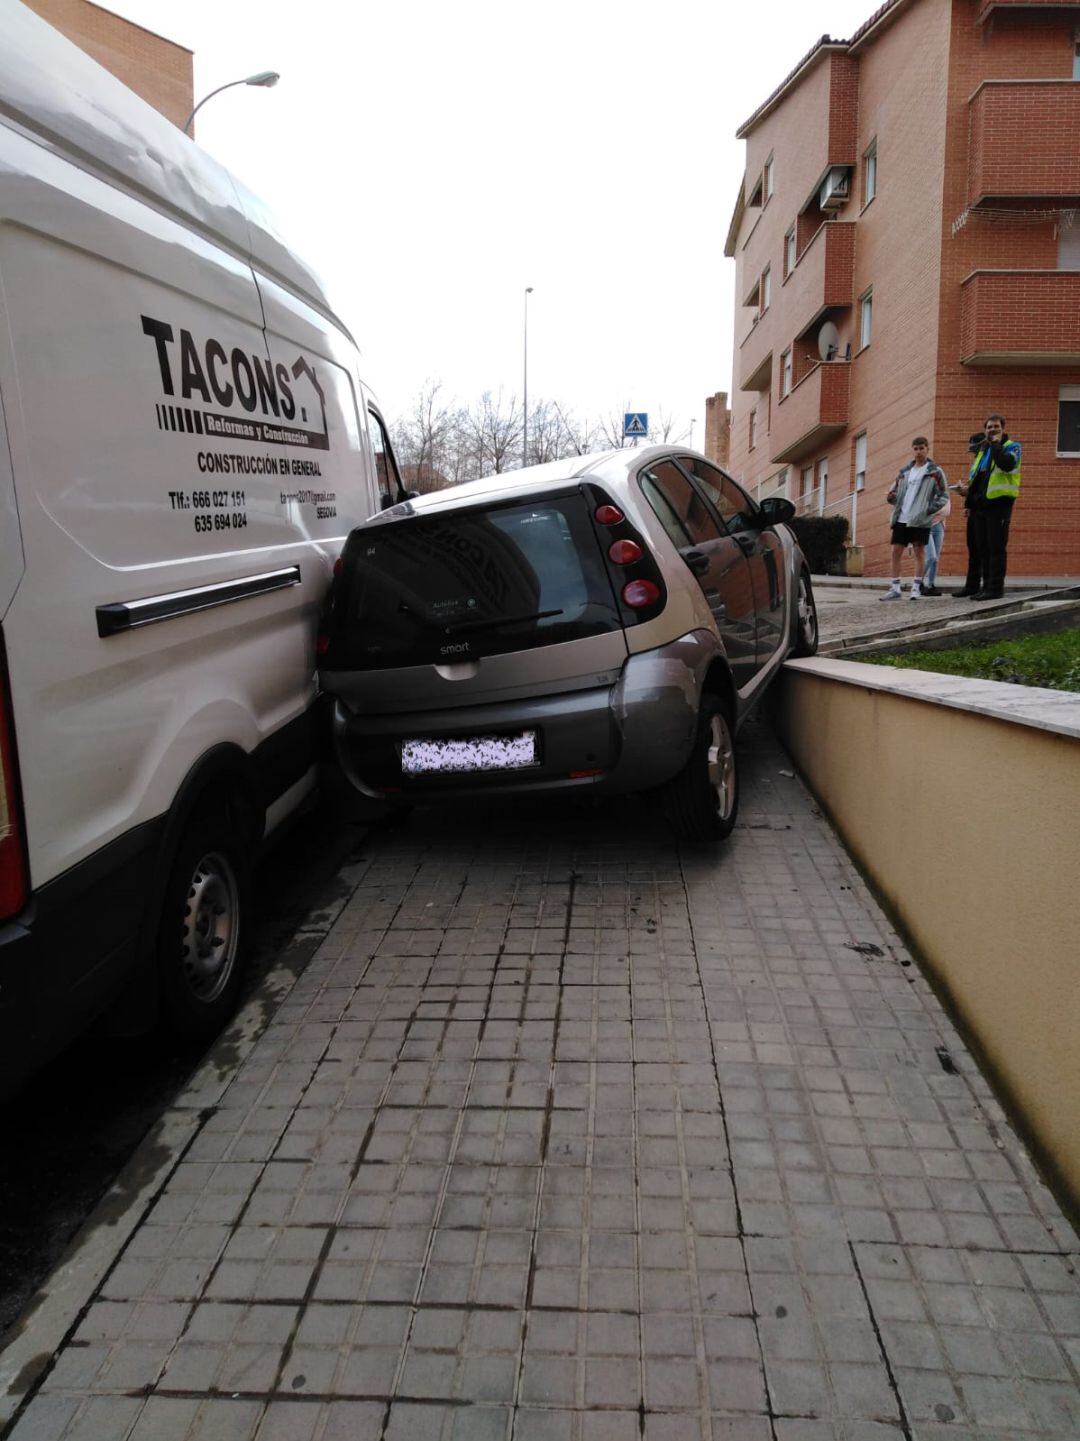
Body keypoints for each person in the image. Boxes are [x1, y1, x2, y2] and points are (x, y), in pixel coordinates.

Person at [955, 413, 1021, 600]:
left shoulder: (1012, 447)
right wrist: (967, 498)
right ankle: (984, 587)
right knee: (982, 548)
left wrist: (996, 445)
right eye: (989, 427)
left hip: (999, 504)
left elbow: (1006, 465)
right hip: (981, 505)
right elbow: (977, 479)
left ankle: (995, 589)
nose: (992, 430)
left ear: (1002, 428)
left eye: (996, 426)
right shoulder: (983, 452)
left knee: (996, 548)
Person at [880, 436, 948, 600]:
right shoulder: (904, 472)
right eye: (916, 449)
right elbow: (897, 494)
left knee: (919, 553)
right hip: (901, 518)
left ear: (927, 449)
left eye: (921, 448)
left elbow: (943, 496)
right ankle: (895, 588)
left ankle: (916, 588)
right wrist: (891, 497)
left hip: (920, 519)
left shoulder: (934, 471)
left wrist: (927, 510)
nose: (918, 452)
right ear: (913, 450)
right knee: (895, 552)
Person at [920, 482, 952, 596]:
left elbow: (947, 510)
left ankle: (931, 585)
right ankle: (918, 582)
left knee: (936, 559)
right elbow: (925, 510)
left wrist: (935, 510)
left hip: (939, 527)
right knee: (931, 557)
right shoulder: (927, 493)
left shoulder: (945, 494)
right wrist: (938, 510)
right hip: (926, 527)